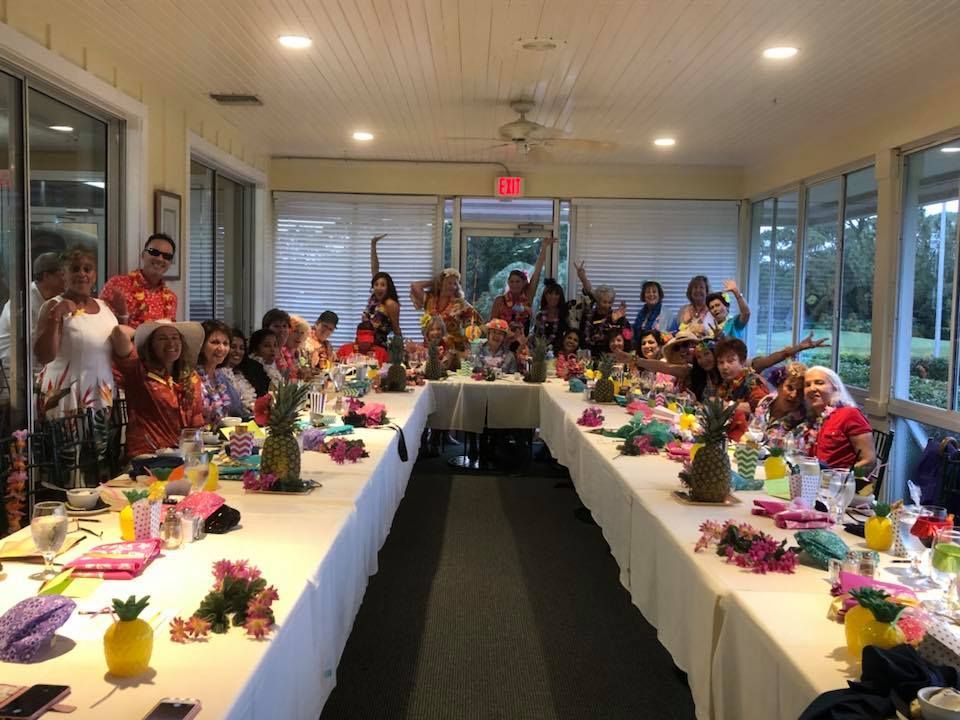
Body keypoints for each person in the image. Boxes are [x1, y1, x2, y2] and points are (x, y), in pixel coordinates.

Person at [34, 245, 118, 417]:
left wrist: (123, 315)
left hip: (101, 394)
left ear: (94, 276)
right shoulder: (52, 305)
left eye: (87, 269)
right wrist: (56, 316)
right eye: (75, 269)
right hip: (65, 395)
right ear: (64, 275)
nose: (82, 274)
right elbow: (44, 356)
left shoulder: (105, 307)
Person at [110, 319, 204, 456]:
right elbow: (119, 332)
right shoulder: (138, 370)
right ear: (151, 344)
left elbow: (196, 422)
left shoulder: (191, 376)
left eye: (175, 337)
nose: (171, 343)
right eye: (162, 338)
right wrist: (143, 333)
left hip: (182, 454)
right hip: (148, 455)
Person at [794, 366, 877, 474]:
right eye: (807, 385)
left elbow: (869, 461)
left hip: (838, 481)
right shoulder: (812, 419)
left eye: (819, 383)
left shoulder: (850, 414)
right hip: (811, 479)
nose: (812, 388)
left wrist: (840, 478)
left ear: (835, 387)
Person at [101, 233, 178, 328]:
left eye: (167, 256)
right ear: (143, 255)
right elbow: (102, 323)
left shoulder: (171, 298)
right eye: (154, 252)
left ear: (170, 263)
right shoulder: (117, 284)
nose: (160, 259)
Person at [0, 253, 64, 366]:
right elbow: (38, 345)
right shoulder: (24, 301)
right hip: (15, 370)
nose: (67, 278)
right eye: (62, 274)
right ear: (46, 276)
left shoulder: (54, 298)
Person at [490, 237, 555, 335]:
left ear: (523, 283)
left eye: (517, 281)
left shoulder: (528, 296)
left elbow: (537, 272)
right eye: (512, 281)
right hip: (503, 341)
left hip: (522, 341)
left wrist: (544, 248)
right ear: (508, 283)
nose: (514, 284)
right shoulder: (499, 300)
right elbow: (492, 325)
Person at [410, 268, 481, 351]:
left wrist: (469, 337)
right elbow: (415, 286)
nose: (452, 286)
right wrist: (435, 282)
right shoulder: (430, 299)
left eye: (455, 284)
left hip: (453, 350)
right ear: (440, 284)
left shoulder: (460, 304)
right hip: (431, 348)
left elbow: (477, 323)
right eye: (449, 283)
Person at [574, 261, 629, 357]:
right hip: (591, 356)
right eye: (604, 302)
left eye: (610, 302)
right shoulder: (588, 315)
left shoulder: (616, 316)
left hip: (612, 357)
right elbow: (584, 338)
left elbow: (628, 336)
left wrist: (622, 320)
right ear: (598, 301)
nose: (607, 305)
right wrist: (583, 278)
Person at [197, 320, 243, 426]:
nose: (221, 348)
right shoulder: (192, 378)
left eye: (225, 343)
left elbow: (237, 411)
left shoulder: (222, 378)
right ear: (201, 345)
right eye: (215, 342)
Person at [753, 362, 807, 443]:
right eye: (790, 388)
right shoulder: (767, 401)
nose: (794, 395)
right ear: (779, 385)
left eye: (800, 391)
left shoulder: (803, 419)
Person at [714, 338, 771, 414]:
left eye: (730, 361)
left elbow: (762, 405)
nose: (724, 367)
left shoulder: (752, 381)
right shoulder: (725, 383)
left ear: (742, 361)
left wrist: (727, 405)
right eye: (721, 362)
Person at [366, 234, 402, 345]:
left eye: (382, 285)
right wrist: (373, 244)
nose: (378, 287)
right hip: (365, 341)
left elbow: (396, 328)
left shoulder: (390, 304)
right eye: (376, 284)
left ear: (388, 287)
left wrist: (400, 349)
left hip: (380, 346)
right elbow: (374, 267)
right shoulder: (374, 297)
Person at [219, 328, 257, 416]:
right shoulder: (219, 375)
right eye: (233, 347)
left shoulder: (242, 373)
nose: (238, 351)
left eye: (241, 348)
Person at [531, 278, 570, 351]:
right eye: (550, 293)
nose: (553, 297)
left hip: (561, 353)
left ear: (560, 296)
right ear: (545, 296)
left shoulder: (566, 315)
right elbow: (535, 336)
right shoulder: (539, 315)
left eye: (556, 294)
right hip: (540, 352)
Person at [241, 328, 283, 395]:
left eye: (275, 345)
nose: (272, 349)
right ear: (255, 349)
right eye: (267, 346)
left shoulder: (272, 367)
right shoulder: (253, 369)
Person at [262, 309, 297, 379]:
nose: (282, 330)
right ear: (266, 329)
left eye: (284, 326)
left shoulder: (284, 351)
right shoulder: (263, 354)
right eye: (276, 326)